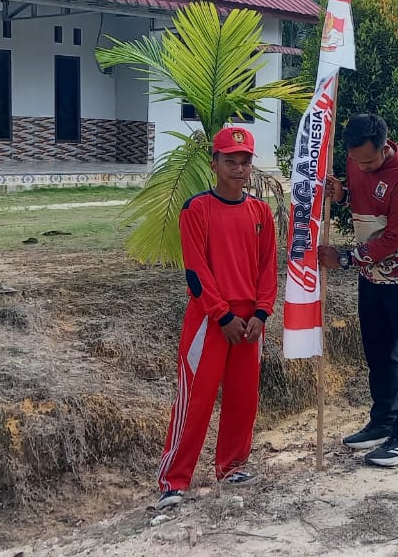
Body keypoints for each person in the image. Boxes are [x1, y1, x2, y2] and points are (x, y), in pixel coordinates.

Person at [154, 126, 278, 510]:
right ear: (214, 164)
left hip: (250, 323)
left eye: (245, 162)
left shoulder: (260, 212)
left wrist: (262, 312)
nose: (238, 169)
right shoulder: (196, 209)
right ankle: (174, 480)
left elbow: (268, 268)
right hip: (210, 322)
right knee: (195, 399)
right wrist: (222, 315)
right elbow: (196, 272)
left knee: (243, 397)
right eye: (230, 162)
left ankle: (232, 466)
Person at [319, 114, 398, 468]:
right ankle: (383, 420)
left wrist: (345, 259)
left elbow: (393, 238)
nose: (362, 166)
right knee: (379, 353)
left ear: (385, 147)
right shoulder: (356, 162)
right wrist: (343, 194)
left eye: (368, 161)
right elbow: (365, 197)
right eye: (356, 160)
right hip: (372, 277)